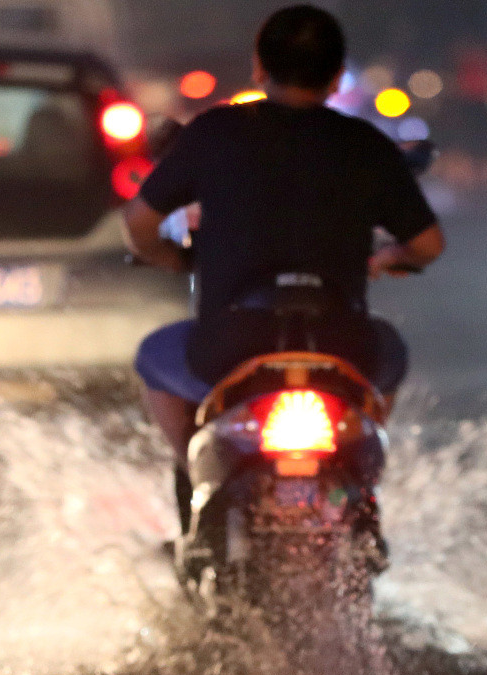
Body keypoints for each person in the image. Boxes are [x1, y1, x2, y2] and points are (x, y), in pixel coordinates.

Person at [122, 4, 446, 526]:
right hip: (341, 343)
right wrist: (386, 259)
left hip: (231, 345)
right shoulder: (365, 145)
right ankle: (361, 482)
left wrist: (172, 258)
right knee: (392, 351)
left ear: (258, 67)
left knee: (154, 358)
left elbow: (139, 223)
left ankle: (199, 474)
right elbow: (428, 244)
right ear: (338, 77)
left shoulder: (213, 133)